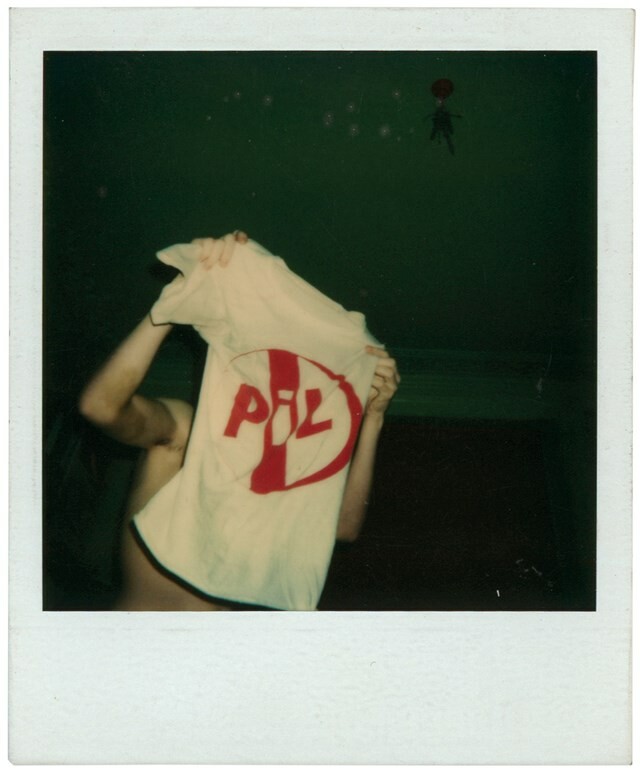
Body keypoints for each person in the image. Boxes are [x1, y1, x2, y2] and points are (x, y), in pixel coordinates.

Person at [79, 231, 400, 610]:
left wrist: (372, 418)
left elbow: (343, 528)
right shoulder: (188, 431)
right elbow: (100, 407)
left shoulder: (286, 482)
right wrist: (171, 307)